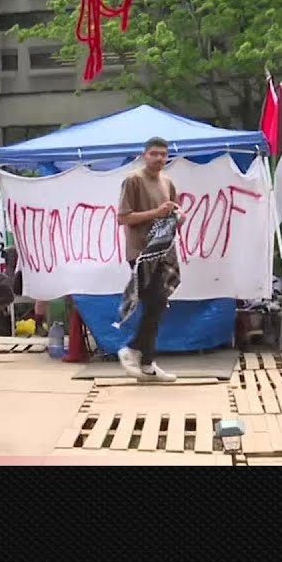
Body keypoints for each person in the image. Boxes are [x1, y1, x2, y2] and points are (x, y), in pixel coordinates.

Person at [116, 137, 183, 382]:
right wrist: (156, 212)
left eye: (163, 155)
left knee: (157, 305)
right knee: (154, 303)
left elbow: (171, 212)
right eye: (154, 153)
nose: (159, 159)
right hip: (142, 253)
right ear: (144, 155)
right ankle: (132, 348)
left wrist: (178, 217)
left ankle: (147, 363)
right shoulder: (133, 180)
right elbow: (123, 217)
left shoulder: (168, 182)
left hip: (164, 251)